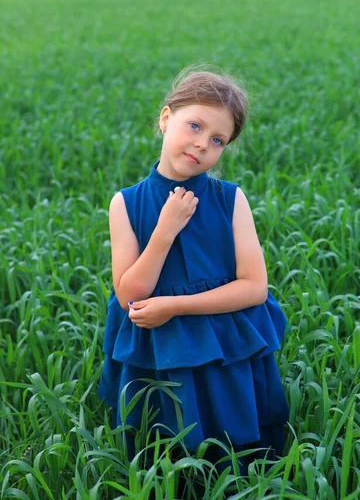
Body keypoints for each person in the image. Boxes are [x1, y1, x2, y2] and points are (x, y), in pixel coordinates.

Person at [98, 66, 290, 476]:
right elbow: (129, 294)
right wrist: (164, 231)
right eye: (195, 126)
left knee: (237, 452)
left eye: (217, 139)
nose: (202, 144)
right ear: (166, 118)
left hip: (224, 347)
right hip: (159, 353)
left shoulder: (229, 200)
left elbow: (255, 288)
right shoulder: (126, 204)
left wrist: (175, 305)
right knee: (165, 453)